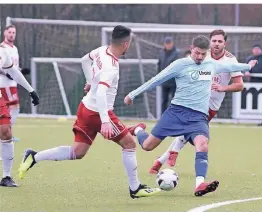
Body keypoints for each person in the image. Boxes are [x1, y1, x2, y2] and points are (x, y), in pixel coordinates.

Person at [18, 25, 161, 199]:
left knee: (77, 152)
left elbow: (84, 60)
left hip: (86, 107)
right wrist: (105, 121)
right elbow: (101, 93)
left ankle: (34, 156)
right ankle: (135, 188)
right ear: (126, 44)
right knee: (130, 144)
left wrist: (90, 80)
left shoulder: (102, 50)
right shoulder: (111, 67)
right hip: (98, 113)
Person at [124, 35, 257, 196]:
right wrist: (132, 94)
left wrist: (248, 66)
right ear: (191, 49)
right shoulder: (180, 64)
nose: (200, 57)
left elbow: (230, 66)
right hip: (176, 112)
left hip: (198, 117)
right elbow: (156, 80)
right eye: (197, 53)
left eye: (203, 54)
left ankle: (199, 184)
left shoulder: (211, 64)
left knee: (202, 145)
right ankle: (138, 130)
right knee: (148, 146)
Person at [149, 29, 244, 174]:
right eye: (214, 41)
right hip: (193, 100)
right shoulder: (201, 55)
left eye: (220, 41)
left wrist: (222, 87)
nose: (216, 44)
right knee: (191, 131)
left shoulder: (231, 60)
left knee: (191, 131)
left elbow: (239, 85)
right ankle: (164, 158)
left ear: (225, 43)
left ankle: (165, 157)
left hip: (211, 106)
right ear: (210, 41)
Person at [0, 43, 39, 187]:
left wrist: (30, 90)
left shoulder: (3, 53)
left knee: (6, 132)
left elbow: (13, 71)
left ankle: (6, 177)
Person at [0, 25, 31, 143]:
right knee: (12, 108)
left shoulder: (15, 48)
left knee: (12, 109)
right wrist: (5, 74)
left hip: (12, 84)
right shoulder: (2, 48)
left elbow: (13, 68)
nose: (12, 34)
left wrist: (22, 71)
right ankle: (5, 134)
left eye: (13, 32)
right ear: (4, 33)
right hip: (4, 84)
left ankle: (7, 133)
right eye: (9, 32)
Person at [158, 36, 180, 113]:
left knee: (174, 101)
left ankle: (173, 117)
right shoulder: (161, 53)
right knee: (164, 100)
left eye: (169, 43)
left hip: (174, 82)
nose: (168, 45)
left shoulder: (177, 53)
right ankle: (163, 117)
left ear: (172, 43)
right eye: (167, 43)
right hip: (164, 81)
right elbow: (159, 65)